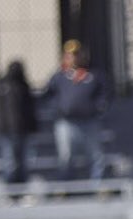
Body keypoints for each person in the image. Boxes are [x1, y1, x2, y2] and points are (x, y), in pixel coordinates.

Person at [44, 39, 108, 181]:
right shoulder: (59, 76)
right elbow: (49, 94)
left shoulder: (94, 74)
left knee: (95, 154)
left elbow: (104, 93)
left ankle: (98, 182)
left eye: (76, 54)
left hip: (89, 121)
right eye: (70, 55)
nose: (73, 58)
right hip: (66, 122)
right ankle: (66, 184)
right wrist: (58, 108)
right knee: (66, 155)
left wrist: (98, 107)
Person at [0, 59, 38, 186]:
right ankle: (10, 188)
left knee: (25, 161)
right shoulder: (2, 86)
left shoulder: (24, 86)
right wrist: (1, 127)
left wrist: (32, 127)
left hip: (24, 130)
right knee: (9, 161)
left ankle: (24, 186)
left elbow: (30, 109)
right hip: (7, 131)